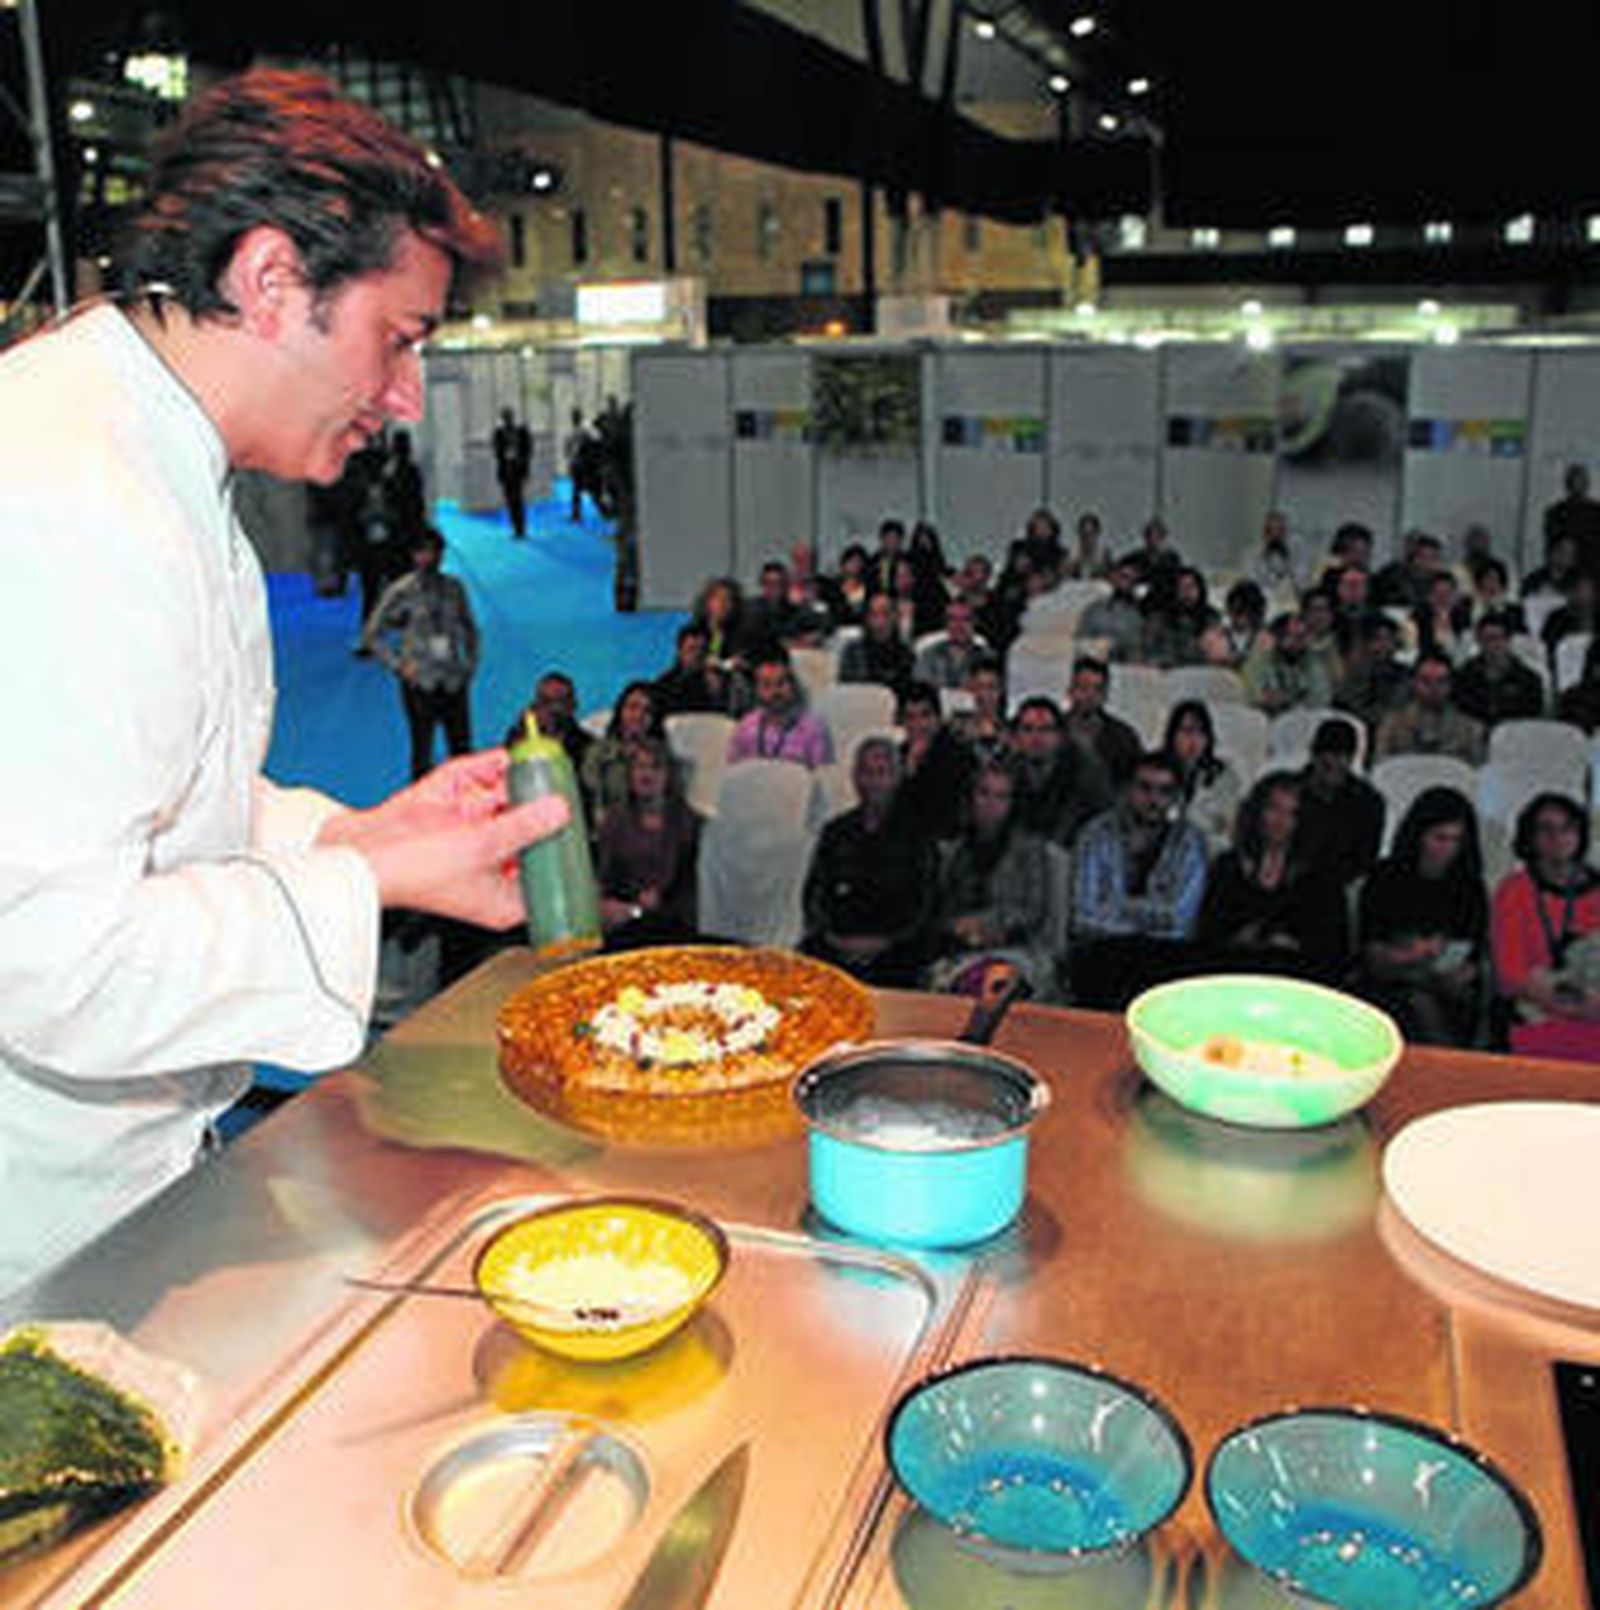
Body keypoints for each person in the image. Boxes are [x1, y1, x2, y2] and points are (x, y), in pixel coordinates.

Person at [0, 70, 570, 1297]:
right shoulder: (66, 499)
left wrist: (356, 832)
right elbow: (50, 958)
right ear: (270, 281)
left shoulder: (140, 450)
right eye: (398, 338)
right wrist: (365, 884)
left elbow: (152, 793)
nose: (404, 397)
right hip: (33, 1232)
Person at [1070, 750, 1209, 1009]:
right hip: (1104, 950)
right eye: (1145, 788)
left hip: (1164, 954)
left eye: (1164, 791)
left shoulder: (1190, 842)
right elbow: (1084, 915)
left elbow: (1181, 922)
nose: (1154, 800)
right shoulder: (1096, 834)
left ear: (1176, 797)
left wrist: (1119, 907)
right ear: (1127, 789)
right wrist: (1149, 920)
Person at [1357, 787, 1488, 1047]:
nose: (1447, 849)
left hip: (1447, 988)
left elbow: (1474, 950)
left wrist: (1461, 970)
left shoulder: (1470, 886)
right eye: (1440, 838)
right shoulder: (1385, 878)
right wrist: (1411, 955)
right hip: (1391, 983)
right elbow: (1371, 953)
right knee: (1414, 1005)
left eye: (1455, 841)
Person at [802, 738, 936, 986]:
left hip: (895, 952)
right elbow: (814, 896)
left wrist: (882, 943)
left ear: (898, 778)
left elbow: (926, 905)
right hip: (836, 947)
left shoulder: (918, 834)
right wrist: (834, 940)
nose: (873, 782)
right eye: (866, 772)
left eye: (882, 773)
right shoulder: (836, 831)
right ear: (854, 777)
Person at [926, 758, 1061, 1001]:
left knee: (993, 984)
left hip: (1018, 949)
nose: (991, 804)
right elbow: (941, 908)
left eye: (1001, 797)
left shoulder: (1031, 850)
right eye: (984, 794)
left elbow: (1033, 911)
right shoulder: (954, 851)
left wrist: (989, 925)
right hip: (962, 951)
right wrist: (959, 927)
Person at [1195, 771, 1348, 983]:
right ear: (1258, 812)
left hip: (1296, 981)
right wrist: (1239, 941)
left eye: (1291, 813)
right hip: (1234, 975)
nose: (1280, 821)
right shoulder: (1228, 867)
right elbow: (1207, 935)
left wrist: (1292, 945)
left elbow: (1333, 949)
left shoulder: (1321, 876)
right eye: (1273, 808)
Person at [362, 526, 480, 779]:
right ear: (412, 555)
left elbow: (469, 627)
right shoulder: (400, 591)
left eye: (434, 551)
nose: (429, 557)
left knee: (462, 750)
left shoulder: (454, 588)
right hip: (420, 681)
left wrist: (470, 664)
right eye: (422, 552)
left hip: (453, 679)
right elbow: (372, 634)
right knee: (422, 750)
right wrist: (398, 666)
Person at [1492, 792, 1600, 1061]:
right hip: (1535, 1008)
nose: (1558, 838)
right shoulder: (1513, 891)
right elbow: (1510, 975)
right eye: (1546, 829)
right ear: (1530, 837)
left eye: (1567, 828)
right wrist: (1575, 1005)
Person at [595, 738, 701, 950]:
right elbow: (607, 883)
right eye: (640, 767)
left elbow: (691, 892)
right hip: (626, 925)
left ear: (668, 776)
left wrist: (655, 905)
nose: (647, 775)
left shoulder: (690, 823)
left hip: (677, 930)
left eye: (656, 767)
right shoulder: (614, 822)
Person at [1295, 718, 1385, 889]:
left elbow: (1364, 861)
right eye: (1328, 760)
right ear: (1314, 756)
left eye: (1344, 757)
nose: (1337, 764)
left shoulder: (1368, 802)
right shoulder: (1288, 792)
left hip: (1339, 887)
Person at [726, 648, 834, 768]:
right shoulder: (746, 727)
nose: (775, 692)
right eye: (766, 685)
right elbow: (734, 771)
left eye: (781, 683)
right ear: (757, 690)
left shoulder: (812, 728)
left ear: (793, 685)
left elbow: (822, 774)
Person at [1373, 652, 1486, 765]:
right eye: (1425, 681)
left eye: (1441, 681)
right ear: (1414, 683)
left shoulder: (1470, 730)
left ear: (1450, 685)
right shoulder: (1391, 726)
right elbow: (1380, 767)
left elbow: (1477, 771)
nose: (1434, 687)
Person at [895, 681, 974, 842]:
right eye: (910, 717)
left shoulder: (959, 756)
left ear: (938, 718)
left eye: (925, 715)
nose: (918, 725)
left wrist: (912, 772)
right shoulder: (897, 755)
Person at [1164, 699, 1244, 857]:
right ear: (1173, 735)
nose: (1193, 739)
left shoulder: (1224, 776)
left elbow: (1228, 826)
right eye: (1186, 731)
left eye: (1200, 732)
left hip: (1208, 851)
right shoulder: (1157, 770)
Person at [580, 680, 666, 820]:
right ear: (620, 711)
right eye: (633, 707)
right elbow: (593, 801)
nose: (638, 715)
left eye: (647, 710)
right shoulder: (598, 754)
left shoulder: (663, 755)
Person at [1062, 656, 1143, 796]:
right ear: (1071, 691)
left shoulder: (1123, 737)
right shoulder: (1053, 731)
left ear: (1105, 695)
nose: (1090, 695)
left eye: (1098, 689)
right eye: (1083, 687)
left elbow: (1135, 780)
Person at [1453, 610, 1545, 728]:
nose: (1492, 645)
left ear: (1508, 640)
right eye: (1486, 639)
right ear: (1479, 641)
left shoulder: (1529, 680)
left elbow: (1531, 721)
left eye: (1497, 638)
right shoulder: (1464, 677)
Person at [838, 590, 915, 696]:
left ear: (896, 617)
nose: (880, 622)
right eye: (874, 615)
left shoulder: (906, 654)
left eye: (886, 614)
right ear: (866, 618)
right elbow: (848, 692)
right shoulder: (852, 653)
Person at [1543, 463, 1600, 581]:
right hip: (1564, 572)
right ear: (1567, 484)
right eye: (1574, 481)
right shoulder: (1556, 512)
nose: (1577, 486)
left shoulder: (1596, 511)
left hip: (1592, 569)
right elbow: (1551, 544)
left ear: (1587, 484)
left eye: (1581, 481)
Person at [493, 406, 533, 538]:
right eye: (505, 417)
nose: (507, 419)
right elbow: (496, 451)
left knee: (517, 499)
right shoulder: (498, 433)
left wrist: (519, 459)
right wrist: (506, 455)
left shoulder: (521, 431)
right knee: (510, 501)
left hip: (517, 471)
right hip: (506, 471)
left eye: (508, 417)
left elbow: (528, 450)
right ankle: (516, 528)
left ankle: (520, 528)